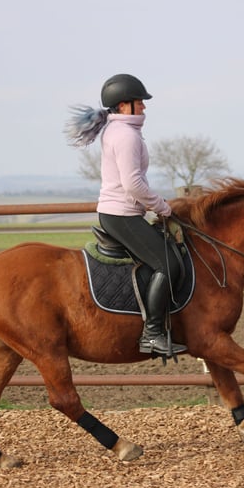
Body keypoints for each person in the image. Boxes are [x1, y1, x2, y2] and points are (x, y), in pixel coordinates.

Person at [65, 74, 186, 356]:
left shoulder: (119, 131)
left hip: (121, 213)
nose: (144, 107)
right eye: (139, 102)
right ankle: (152, 334)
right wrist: (162, 207)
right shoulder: (125, 135)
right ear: (123, 105)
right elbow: (133, 184)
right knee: (168, 265)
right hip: (121, 215)